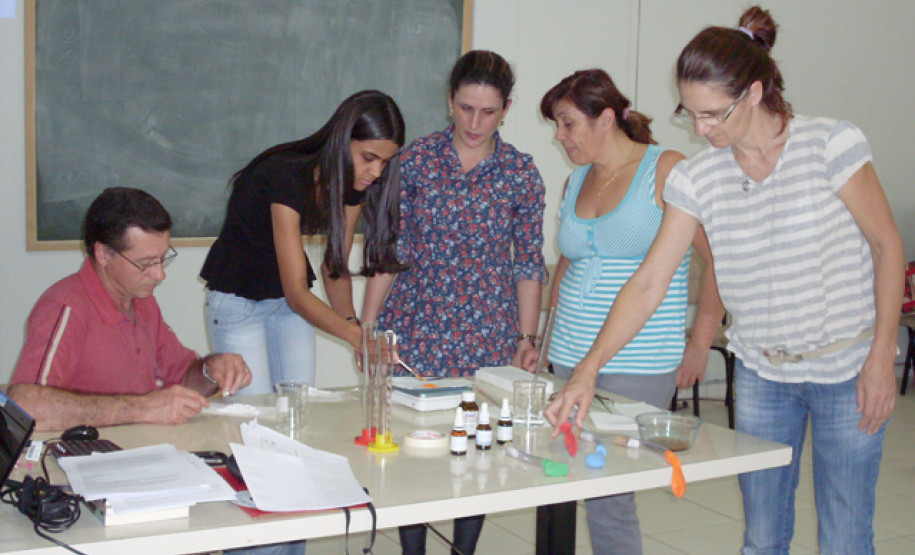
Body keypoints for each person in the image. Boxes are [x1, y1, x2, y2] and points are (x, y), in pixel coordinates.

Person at [546, 7, 904, 555]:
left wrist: (884, 356)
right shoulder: (697, 177)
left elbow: (886, 246)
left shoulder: (830, 144)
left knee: (846, 533)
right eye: (689, 115)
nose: (701, 129)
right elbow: (649, 282)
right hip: (762, 373)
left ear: (756, 92)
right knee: (762, 536)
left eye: (713, 114)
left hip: (846, 367)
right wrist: (587, 371)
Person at [362, 50, 548, 555]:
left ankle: (464, 549)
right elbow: (388, 251)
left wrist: (527, 342)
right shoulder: (415, 161)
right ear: (449, 101)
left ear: (506, 109)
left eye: (488, 112)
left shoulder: (520, 173)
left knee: (476, 448)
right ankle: (413, 550)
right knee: (413, 449)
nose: (474, 122)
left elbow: (528, 265)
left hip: (488, 336)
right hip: (415, 329)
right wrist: (368, 326)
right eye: (465, 108)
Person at [537, 69, 720, 555]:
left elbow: (717, 258)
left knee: (608, 494)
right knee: (557, 482)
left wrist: (701, 339)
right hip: (568, 357)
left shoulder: (667, 169)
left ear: (607, 118)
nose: (560, 136)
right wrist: (541, 341)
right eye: (557, 124)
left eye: (568, 123)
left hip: (636, 363)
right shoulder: (575, 180)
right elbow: (568, 267)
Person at [200, 90, 408, 395]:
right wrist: (355, 336)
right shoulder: (287, 174)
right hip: (239, 303)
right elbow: (297, 292)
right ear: (342, 140)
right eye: (369, 158)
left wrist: (355, 327)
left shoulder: (353, 185)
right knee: (253, 417)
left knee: (300, 407)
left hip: (287, 307)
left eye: (385, 162)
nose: (376, 172)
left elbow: (334, 268)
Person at [9, 187, 251, 432]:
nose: (159, 274)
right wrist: (143, 407)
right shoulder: (65, 306)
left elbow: (182, 379)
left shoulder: (141, 300)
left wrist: (213, 371)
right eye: (145, 263)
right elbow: (25, 407)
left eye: (163, 258)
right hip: (86, 459)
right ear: (103, 254)